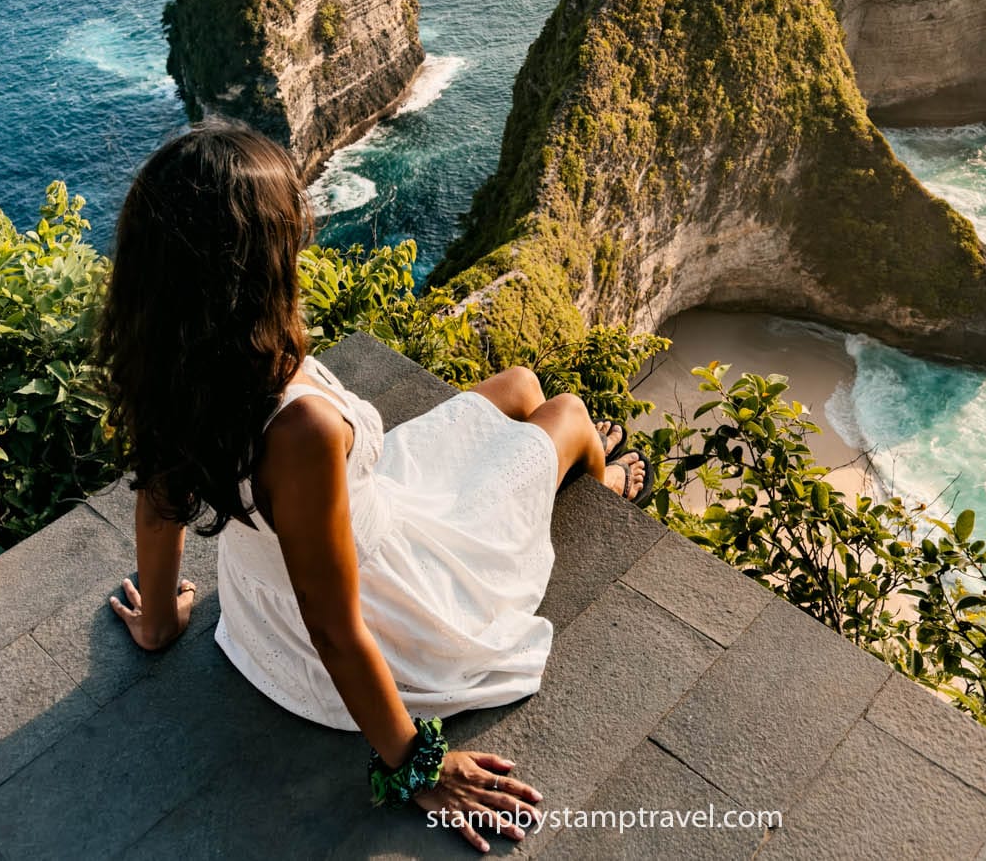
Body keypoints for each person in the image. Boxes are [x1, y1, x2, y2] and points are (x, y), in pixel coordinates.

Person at [98, 122, 653, 853]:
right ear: (257, 269)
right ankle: (602, 483)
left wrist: (162, 619)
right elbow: (333, 627)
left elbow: (158, 497)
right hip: (380, 593)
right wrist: (415, 763)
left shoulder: (174, 361)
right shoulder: (300, 431)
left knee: (519, 387)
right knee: (568, 413)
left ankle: (568, 465)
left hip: (287, 586)